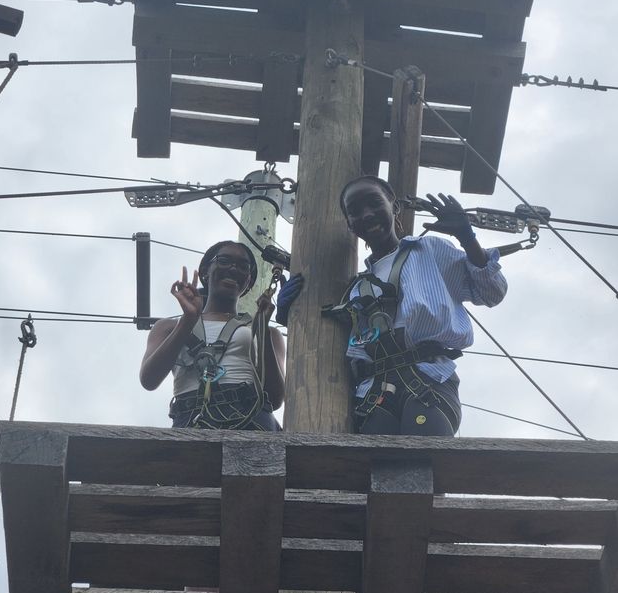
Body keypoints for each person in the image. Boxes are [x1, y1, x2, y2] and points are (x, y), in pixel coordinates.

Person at [277, 176, 507, 436]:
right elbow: (329, 341)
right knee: (377, 468)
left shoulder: (428, 251)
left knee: (424, 458)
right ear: (350, 225)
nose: (366, 214)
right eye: (355, 212)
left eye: (374, 203)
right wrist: (291, 314)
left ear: (394, 207)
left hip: (428, 377)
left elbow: (492, 292)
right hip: (373, 392)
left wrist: (467, 238)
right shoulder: (354, 289)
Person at [140, 240, 285, 430]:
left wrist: (263, 329)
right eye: (224, 261)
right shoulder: (168, 327)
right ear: (205, 272)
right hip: (191, 420)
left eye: (243, 267)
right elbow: (149, 380)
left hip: (251, 422)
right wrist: (188, 320)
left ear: (248, 282)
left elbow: (274, 399)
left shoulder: (265, 331)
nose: (234, 269)